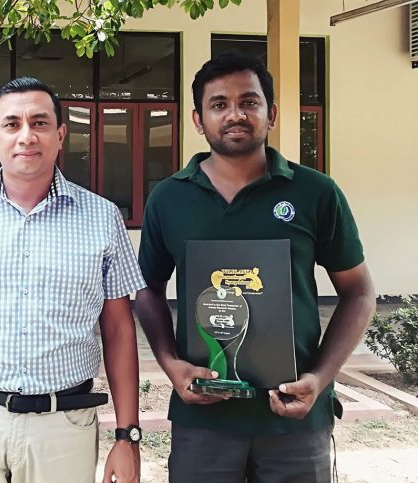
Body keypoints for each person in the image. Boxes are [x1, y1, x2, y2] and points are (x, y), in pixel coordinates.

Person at [135, 52, 376, 482]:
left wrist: (320, 379)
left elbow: (358, 293)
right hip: (204, 419)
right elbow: (148, 289)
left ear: (272, 114)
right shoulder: (169, 199)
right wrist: (170, 364)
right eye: (219, 104)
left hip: (294, 418)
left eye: (249, 102)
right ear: (198, 120)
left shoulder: (316, 192)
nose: (235, 114)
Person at [0, 77, 145, 483]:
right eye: (12, 124)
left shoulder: (103, 218)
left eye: (39, 123)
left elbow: (119, 329)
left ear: (60, 135)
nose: (26, 136)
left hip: (64, 426)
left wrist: (128, 437)